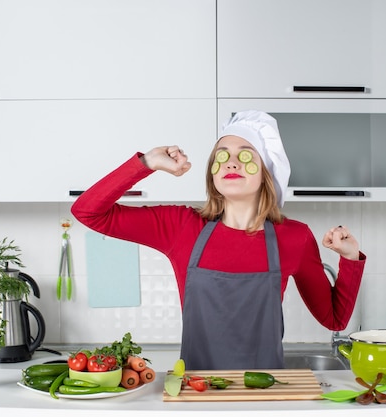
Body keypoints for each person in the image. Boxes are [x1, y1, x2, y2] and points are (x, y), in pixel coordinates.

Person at [71, 110, 366, 370]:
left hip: (264, 396)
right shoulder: (181, 226)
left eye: (246, 155)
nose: (232, 163)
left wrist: (350, 258)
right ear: (212, 171)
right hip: (198, 395)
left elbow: (334, 320)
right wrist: (146, 162)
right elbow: (87, 211)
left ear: (266, 172)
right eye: (222, 155)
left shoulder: (295, 237)